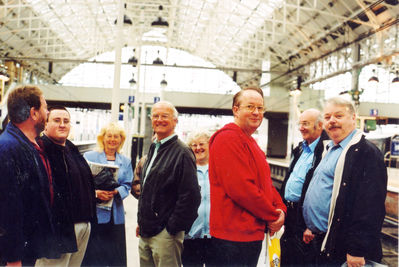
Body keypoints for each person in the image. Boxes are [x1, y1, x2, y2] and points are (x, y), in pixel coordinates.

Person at [302, 97, 387, 266]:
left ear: (353, 117)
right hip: (321, 240)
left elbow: (370, 206)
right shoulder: (330, 149)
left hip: (343, 249)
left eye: (338, 116)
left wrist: (357, 249)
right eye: (327, 117)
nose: (332, 121)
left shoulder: (365, 152)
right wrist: (312, 226)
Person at [208, 87, 286, 267]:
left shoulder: (249, 141)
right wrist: (272, 215)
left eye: (260, 108)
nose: (256, 112)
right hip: (233, 237)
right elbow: (241, 188)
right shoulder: (227, 139)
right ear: (236, 109)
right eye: (250, 107)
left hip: (248, 233)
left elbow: (265, 184)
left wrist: (280, 209)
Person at [138, 101, 201, 267]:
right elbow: (147, 188)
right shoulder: (154, 147)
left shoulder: (183, 152)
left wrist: (172, 229)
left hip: (165, 235)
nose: (159, 120)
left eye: (164, 116)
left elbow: (191, 196)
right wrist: (142, 221)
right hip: (146, 231)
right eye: (155, 116)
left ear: (175, 121)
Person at [0, 85, 57, 266]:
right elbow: (8, 210)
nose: (47, 112)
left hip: (27, 251)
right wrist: (13, 260)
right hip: (15, 258)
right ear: (33, 113)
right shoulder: (8, 149)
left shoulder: (28, 144)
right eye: (45, 107)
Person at [35, 106, 97, 266]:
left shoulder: (70, 148)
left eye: (66, 121)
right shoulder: (41, 150)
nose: (62, 125)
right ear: (46, 125)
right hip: (59, 231)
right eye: (57, 120)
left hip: (82, 226)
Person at [279, 108, 329, 266]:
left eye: (306, 124)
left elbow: (323, 191)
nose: (301, 128)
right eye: (300, 124)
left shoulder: (325, 151)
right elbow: (290, 178)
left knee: (303, 259)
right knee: (287, 257)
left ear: (319, 125)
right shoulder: (300, 149)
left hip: (305, 218)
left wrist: (311, 225)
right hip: (290, 215)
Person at [82, 122, 133, 267]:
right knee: (94, 257)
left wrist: (117, 192)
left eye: (116, 136)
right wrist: (96, 193)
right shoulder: (89, 156)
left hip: (115, 216)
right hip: (95, 214)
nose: (112, 139)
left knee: (115, 257)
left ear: (121, 140)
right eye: (109, 136)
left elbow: (127, 184)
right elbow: (82, 183)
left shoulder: (126, 161)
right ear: (102, 138)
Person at [182, 130, 213, 267]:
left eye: (201, 144)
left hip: (216, 236)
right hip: (191, 235)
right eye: (193, 145)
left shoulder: (217, 169)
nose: (198, 148)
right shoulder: (185, 169)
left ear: (209, 145)